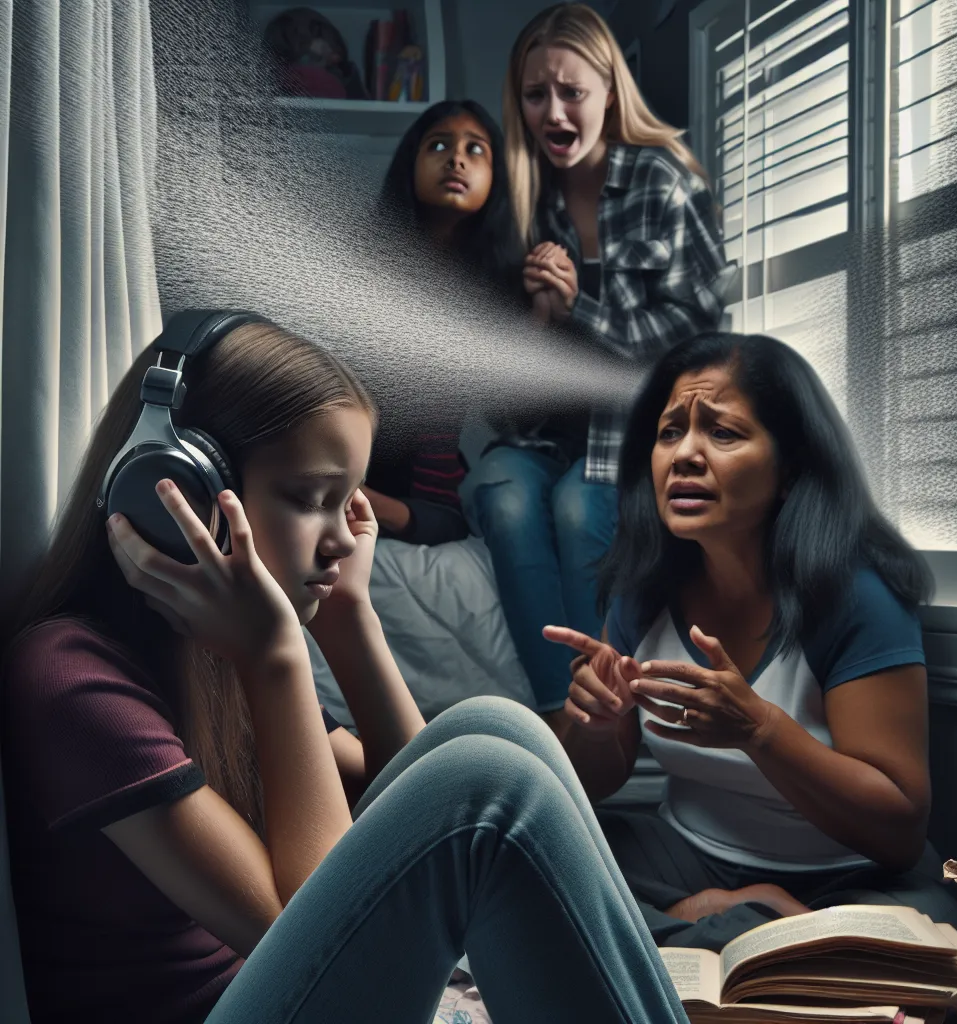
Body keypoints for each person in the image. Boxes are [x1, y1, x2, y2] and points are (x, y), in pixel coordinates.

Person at [0, 313, 691, 1024]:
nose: (340, 540)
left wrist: (349, 621)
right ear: (175, 493)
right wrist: (275, 657)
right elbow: (309, 926)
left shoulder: (219, 655)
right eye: (308, 498)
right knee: (493, 783)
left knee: (496, 729)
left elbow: (408, 800)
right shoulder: (69, 679)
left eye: (347, 502)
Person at [544, 331, 957, 950]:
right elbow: (596, 779)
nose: (684, 456)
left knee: (924, 933)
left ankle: (716, 930)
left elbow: (900, 833)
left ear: (790, 467)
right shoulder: (642, 587)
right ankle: (727, 916)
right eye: (670, 433)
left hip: (846, 878)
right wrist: (592, 723)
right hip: (682, 858)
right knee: (529, 856)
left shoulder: (858, 596)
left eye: (722, 433)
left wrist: (760, 730)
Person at [461, 3, 730, 723]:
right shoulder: (520, 202)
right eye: (534, 94)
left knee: (583, 505)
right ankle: (562, 714)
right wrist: (540, 322)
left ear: (610, 93)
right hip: (545, 433)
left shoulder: (663, 183)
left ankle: (608, 711)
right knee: (500, 488)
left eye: (571, 92)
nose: (553, 110)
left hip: (638, 430)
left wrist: (582, 308)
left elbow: (698, 341)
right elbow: (504, 401)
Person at [363, 99, 525, 546]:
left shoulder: (505, 283)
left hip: (426, 473)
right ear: (410, 163)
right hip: (354, 442)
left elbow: (509, 414)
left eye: (476, 150)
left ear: (496, 180)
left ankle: (374, 505)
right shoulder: (362, 262)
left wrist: (549, 313)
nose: (456, 158)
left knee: (451, 520)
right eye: (438, 145)